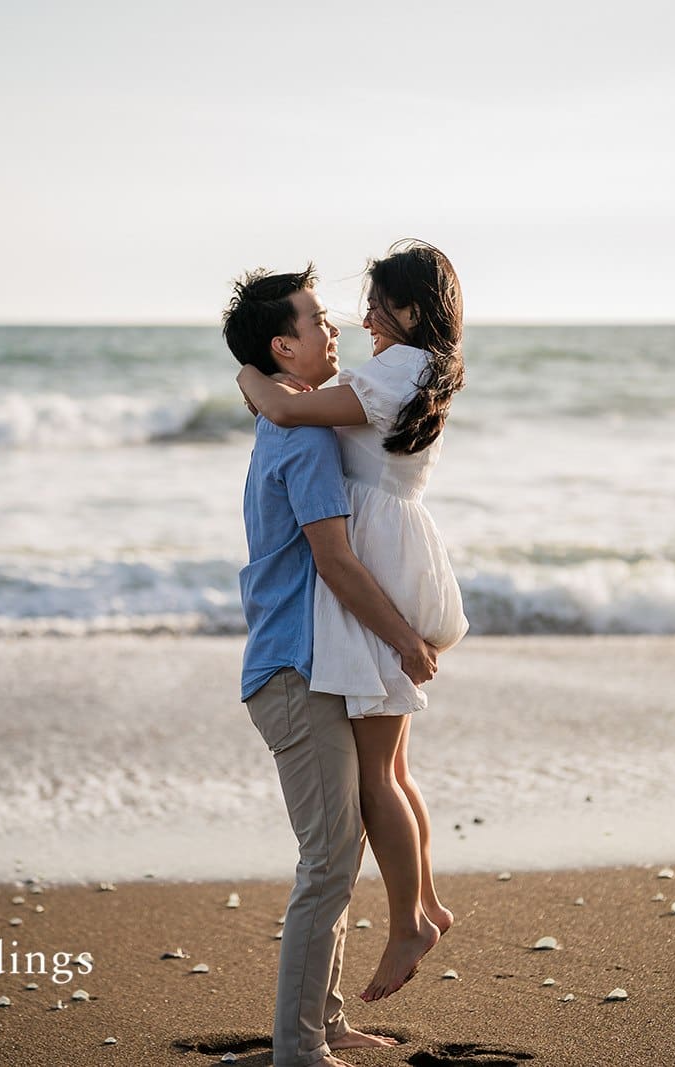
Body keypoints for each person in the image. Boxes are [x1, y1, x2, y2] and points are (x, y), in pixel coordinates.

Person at [236, 240, 468, 1004]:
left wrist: (249, 374)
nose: (362, 316)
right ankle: (424, 900)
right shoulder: (419, 367)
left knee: (376, 773)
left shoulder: (394, 370)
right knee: (394, 765)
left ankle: (407, 921)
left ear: (408, 308)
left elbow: (290, 406)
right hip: (403, 548)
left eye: (375, 303)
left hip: (378, 558)